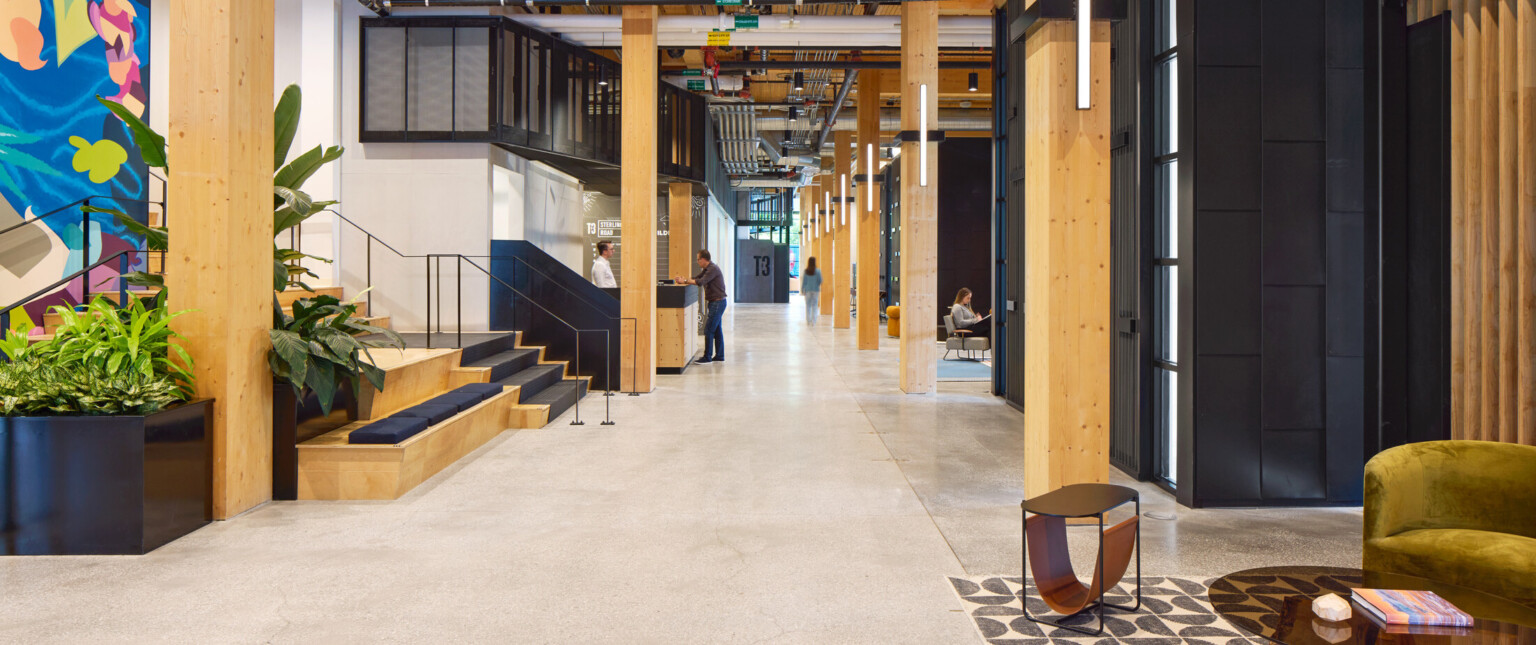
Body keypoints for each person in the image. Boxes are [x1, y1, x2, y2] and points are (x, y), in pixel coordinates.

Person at [677, 249, 728, 363]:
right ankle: (719, 355)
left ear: (704, 259)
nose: (697, 261)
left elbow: (700, 282)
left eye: (698, 259)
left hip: (717, 303)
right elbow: (696, 278)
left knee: (708, 330)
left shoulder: (712, 269)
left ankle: (707, 357)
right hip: (716, 303)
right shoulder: (707, 269)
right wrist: (684, 280)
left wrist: (685, 280)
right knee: (717, 330)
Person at [801, 257, 822, 325]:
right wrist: (817, 284)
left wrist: (802, 289)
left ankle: (808, 320)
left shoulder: (806, 271)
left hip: (808, 290)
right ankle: (814, 321)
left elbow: (804, 281)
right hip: (815, 290)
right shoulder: (818, 271)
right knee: (814, 306)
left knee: (808, 306)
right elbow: (820, 280)